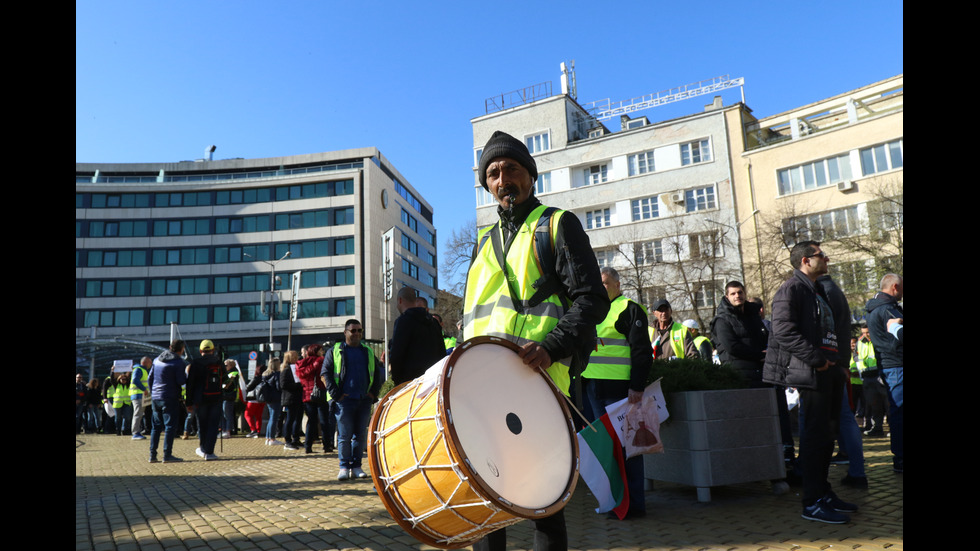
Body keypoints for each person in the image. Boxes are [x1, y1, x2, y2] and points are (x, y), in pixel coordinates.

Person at [464, 130, 610, 551]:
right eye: (492, 173)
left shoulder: (556, 225)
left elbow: (591, 300)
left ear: (530, 175)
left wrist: (551, 348)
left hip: (542, 384)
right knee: (486, 499)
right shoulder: (482, 245)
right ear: (486, 185)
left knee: (544, 499)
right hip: (485, 390)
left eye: (511, 168)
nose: (502, 178)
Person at [762, 241, 856, 524]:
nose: (826, 259)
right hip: (812, 372)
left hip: (828, 372)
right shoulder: (791, 289)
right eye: (820, 255)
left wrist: (838, 364)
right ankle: (812, 502)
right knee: (815, 438)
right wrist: (817, 359)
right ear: (806, 260)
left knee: (827, 436)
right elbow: (783, 331)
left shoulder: (815, 290)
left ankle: (823, 492)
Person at [583, 266, 651, 519]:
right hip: (593, 388)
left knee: (628, 447)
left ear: (618, 284)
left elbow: (642, 351)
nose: (601, 288)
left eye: (605, 283)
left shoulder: (630, 309)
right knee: (606, 449)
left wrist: (637, 386)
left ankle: (633, 505)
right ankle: (614, 502)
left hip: (621, 390)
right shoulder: (591, 310)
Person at [816, 275, 868, 491]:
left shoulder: (822, 291)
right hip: (836, 363)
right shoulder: (833, 290)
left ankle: (815, 475)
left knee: (817, 419)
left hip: (826, 364)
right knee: (845, 418)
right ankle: (857, 471)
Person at [322, 319, 383, 480]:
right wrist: (337, 395)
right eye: (353, 330)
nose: (356, 334)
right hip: (344, 401)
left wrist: (373, 393)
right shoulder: (335, 351)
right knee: (344, 435)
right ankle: (344, 466)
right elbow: (325, 374)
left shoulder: (367, 351)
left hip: (363, 400)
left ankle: (356, 466)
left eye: (359, 331)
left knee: (360, 435)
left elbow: (377, 373)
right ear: (345, 332)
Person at [865, 273, 903, 473]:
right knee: (899, 412)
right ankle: (900, 458)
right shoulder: (888, 310)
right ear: (895, 287)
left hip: (889, 366)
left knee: (897, 411)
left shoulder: (874, 309)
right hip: (897, 365)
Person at [711, 281, 768, 384]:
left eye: (740, 292)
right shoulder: (722, 320)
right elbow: (732, 347)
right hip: (737, 375)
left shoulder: (753, 316)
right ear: (727, 297)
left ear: (745, 294)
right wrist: (759, 355)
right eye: (733, 294)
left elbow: (764, 339)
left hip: (760, 372)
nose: (737, 296)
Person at [388, 286, 446, 385]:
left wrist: (397, 381)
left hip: (411, 384)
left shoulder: (403, 321)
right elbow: (442, 353)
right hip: (434, 382)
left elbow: (397, 355)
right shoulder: (434, 323)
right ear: (415, 301)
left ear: (400, 300)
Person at [185, 339, 227, 461]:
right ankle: (210, 451)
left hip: (200, 398)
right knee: (213, 425)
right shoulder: (219, 362)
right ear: (213, 350)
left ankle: (203, 449)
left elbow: (190, 384)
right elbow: (224, 379)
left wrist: (188, 402)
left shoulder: (195, 363)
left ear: (200, 350)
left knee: (202, 424)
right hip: (217, 397)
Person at [148, 340, 188, 463]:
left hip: (156, 397)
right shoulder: (178, 362)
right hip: (170, 397)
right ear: (181, 350)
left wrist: (153, 392)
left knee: (156, 427)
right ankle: (167, 455)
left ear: (170, 347)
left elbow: (150, 378)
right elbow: (181, 381)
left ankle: (152, 455)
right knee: (170, 427)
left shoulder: (156, 360)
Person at [297, 343, 334, 454]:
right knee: (324, 421)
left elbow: (302, 376)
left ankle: (308, 446)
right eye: (321, 350)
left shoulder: (301, 363)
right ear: (316, 351)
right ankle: (327, 445)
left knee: (311, 421)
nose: (322, 352)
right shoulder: (321, 361)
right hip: (320, 394)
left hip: (307, 395)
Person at [855, 327, 886, 436]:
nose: (866, 335)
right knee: (873, 405)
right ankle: (877, 428)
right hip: (867, 377)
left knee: (888, 404)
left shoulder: (879, 339)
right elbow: (856, 356)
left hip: (879, 375)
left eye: (867, 332)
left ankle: (894, 428)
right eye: (863, 332)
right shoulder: (860, 342)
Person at [280, 350, 304, 451]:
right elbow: (283, 385)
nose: (297, 357)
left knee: (298, 419)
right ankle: (288, 441)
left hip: (299, 397)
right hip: (290, 398)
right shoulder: (286, 370)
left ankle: (296, 438)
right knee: (290, 419)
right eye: (294, 356)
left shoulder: (297, 368)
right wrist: (298, 385)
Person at [261, 358, 284, 446]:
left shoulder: (265, 374)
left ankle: (268, 438)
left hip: (269, 399)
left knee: (271, 418)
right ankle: (272, 439)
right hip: (276, 399)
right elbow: (279, 387)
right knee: (274, 418)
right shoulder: (277, 374)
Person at [130, 357, 152, 440]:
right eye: (150, 362)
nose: (151, 365)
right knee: (138, 414)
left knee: (139, 414)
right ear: (146, 362)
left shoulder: (141, 370)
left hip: (140, 395)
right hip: (138, 395)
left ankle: (137, 431)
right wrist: (144, 389)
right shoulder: (139, 369)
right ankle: (135, 433)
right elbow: (135, 380)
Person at [244, 364, 266, 438]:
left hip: (253, 399)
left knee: (247, 414)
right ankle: (258, 431)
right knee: (258, 416)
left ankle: (253, 430)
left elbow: (248, 388)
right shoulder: (266, 378)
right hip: (262, 399)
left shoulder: (256, 378)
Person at [221, 360, 242, 438]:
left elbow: (227, 385)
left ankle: (228, 431)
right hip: (225, 396)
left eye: (226, 365)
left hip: (229, 396)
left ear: (231, 365)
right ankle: (224, 430)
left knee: (227, 414)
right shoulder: (226, 373)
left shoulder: (233, 372)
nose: (225, 367)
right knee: (223, 414)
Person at [111, 371, 133, 436]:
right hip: (118, 404)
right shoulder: (116, 385)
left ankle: (125, 430)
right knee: (118, 418)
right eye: (122, 379)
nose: (123, 380)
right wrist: (112, 371)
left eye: (125, 379)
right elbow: (112, 379)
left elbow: (131, 378)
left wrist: (131, 371)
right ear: (119, 379)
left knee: (127, 417)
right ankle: (118, 430)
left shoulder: (129, 385)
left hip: (127, 403)